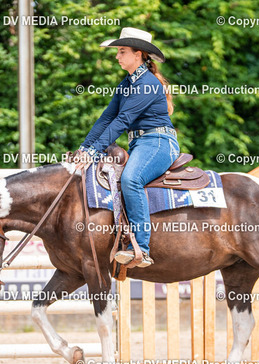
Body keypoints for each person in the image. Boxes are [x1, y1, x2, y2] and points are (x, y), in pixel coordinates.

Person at [74, 27, 180, 268]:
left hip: (159, 142)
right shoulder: (127, 84)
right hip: (140, 143)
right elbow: (106, 119)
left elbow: (122, 121)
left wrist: (92, 152)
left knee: (131, 179)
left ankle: (141, 248)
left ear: (138, 54)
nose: (117, 56)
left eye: (122, 51)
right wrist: (84, 148)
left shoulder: (148, 84)